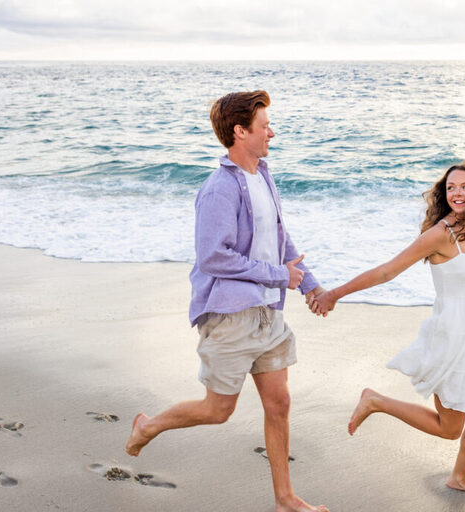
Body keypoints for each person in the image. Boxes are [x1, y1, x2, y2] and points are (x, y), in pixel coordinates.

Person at [125, 90, 328, 512]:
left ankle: (285, 498)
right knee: (218, 411)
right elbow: (213, 256)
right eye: (264, 125)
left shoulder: (263, 174)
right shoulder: (219, 189)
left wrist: (309, 283)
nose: (272, 132)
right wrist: (278, 276)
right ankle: (148, 426)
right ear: (240, 131)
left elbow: (279, 236)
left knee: (280, 403)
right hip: (231, 315)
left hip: (267, 313)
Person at [311, 161, 465, 498]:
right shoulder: (439, 234)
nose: (457, 193)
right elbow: (386, 272)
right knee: (451, 428)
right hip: (451, 337)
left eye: (464, 186)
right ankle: (376, 401)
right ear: (444, 193)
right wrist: (334, 293)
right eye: (451, 187)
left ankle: (460, 477)